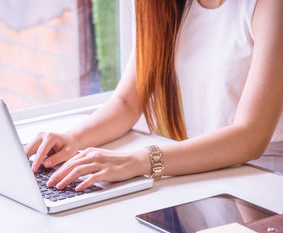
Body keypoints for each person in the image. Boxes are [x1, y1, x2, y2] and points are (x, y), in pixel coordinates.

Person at [25, 0, 283, 192]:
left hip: (263, 182)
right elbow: (127, 101)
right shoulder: (166, 5)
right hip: (199, 172)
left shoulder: (269, 6)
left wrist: (139, 161)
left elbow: (251, 136)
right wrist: (74, 138)